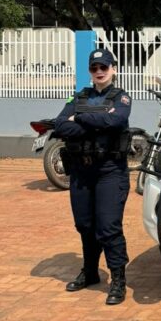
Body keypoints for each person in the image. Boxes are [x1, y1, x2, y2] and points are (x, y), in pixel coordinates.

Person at [54, 48, 132, 305]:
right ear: (90, 71)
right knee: (85, 225)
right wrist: (95, 119)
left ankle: (118, 279)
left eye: (104, 67)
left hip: (110, 170)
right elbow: (61, 125)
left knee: (108, 227)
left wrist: (81, 117)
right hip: (81, 171)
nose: (99, 72)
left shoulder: (121, 97)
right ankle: (89, 272)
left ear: (113, 69)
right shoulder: (78, 96)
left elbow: (116, 123)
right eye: (94, 68)